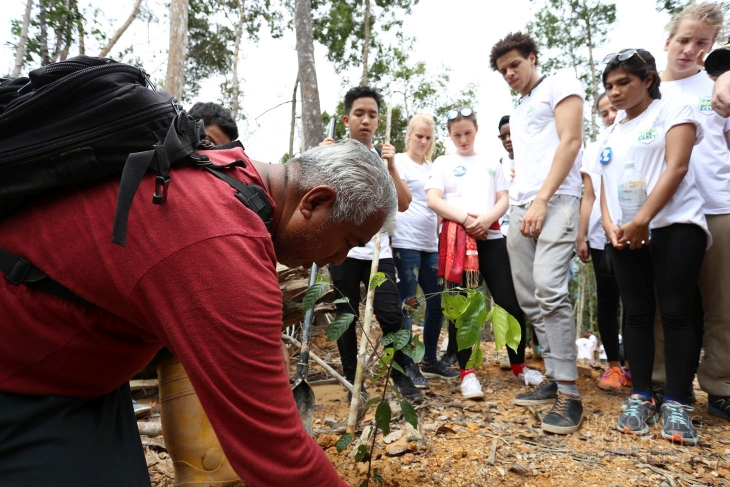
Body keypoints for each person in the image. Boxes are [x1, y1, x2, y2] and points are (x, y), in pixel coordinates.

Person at [0, 139, 396, 486]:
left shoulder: (223, 165)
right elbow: (275, 453)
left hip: (83, 375)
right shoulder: (222, 243)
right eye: (347, 240)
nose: (338, 259)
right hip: (24, 378)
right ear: (315, 201)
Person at [597, 48, 708, 444]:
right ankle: (641, 395)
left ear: (647, 80)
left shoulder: (672, 111)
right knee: (637, 313)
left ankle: (678, 402)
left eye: (624, 82)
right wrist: (610, 223)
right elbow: (604, 186)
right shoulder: (610, 131)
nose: (615, 92)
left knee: (677, 311)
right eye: (610, 86)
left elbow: (677, 166)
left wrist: (643, 217)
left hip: (674, 225)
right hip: (625, 232)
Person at [490, 31, 585, 434]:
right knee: (529, 296)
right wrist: (522, 202)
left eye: (515, 64)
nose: (510, 73)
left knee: (549, 288)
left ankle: (570, 394)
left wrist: (544, 199)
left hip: (557, 199)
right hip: (521, 206)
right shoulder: (522, 105)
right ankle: (553, 376)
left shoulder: (560, 83)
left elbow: (571, 140)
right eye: (503, 70)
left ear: (532, 56)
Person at [425, 107, 542, 401]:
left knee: (509, 302)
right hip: (458, 241)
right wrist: (466, 220)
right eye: (456, 134)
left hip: (491, 238)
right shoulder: (443, 162)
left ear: (476, 130)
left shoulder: (493, 161)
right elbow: (433, 199)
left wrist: (485, 219)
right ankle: (468, 375)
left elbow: (504, 198)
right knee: (462, 310)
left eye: (467, 133)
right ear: (449, 135)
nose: (462, 139)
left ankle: (519, 366)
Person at [320, 86, 424, 401]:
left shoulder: (386, 157)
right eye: (359, 114)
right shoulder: (332, 153)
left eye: (372, 115)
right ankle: (354, 383)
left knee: (391, 314)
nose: (366, 120)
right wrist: (321, 159)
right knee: (346, 316)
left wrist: (391, 166)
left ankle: (402, 375)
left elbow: (404, 203)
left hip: (380, 251)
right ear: (346, 118)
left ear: (379, 121)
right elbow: (313, 195)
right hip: (342, 251)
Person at [658, 2, 730, 421]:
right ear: (667, 41)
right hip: (667, 214)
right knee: (665, 302)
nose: (690, 50)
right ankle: (662, 381)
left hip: (719, 203)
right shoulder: (650, 92)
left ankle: (720, 386)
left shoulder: (719, 86)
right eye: (684, 40)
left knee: (722, 304)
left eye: (702, 43)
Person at [391, 114, 459, 386]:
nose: (423, 141)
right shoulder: (397, 162)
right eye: (419, 135)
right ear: (409, 134)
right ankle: (408, 364)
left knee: (438, 303)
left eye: (428, 137)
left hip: (431, 244)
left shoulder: (432, 167)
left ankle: (429, 359)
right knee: (408, 304)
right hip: (405, 242)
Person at [576, 92, 631, 393]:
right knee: (608, 302)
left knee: (637, 303)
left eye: (614, 109)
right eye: (604, 112)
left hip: (636, 230)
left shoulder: (641, 134)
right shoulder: (595, 148)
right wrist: (582, 235)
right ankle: (612, 367)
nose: (611, 115)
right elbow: (589, 195)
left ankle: (636, 364)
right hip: (601, 237)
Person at [497, 115, 515, 237]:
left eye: (512, 134)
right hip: (505, 225)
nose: (508, 139)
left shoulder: (532, 160)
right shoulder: (500, 163)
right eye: (503, 136)